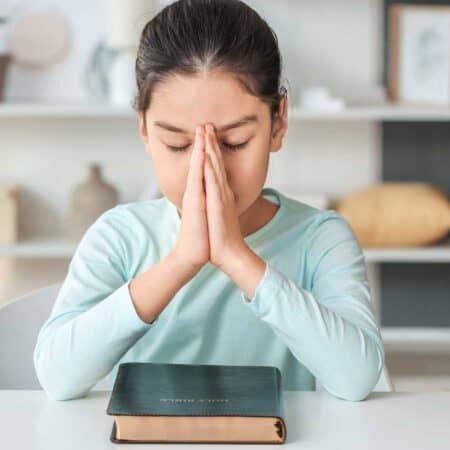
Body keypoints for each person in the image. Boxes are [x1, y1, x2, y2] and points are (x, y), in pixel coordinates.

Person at [33, 0, 385, 402]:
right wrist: (181, 261)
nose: (206, 167)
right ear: (144, 130)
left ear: (278, 123)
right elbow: (57, 376)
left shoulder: (320, 239)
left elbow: (357, 379)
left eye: (234, 142)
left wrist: (236, 257)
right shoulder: (120, 235)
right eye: (178, 144)